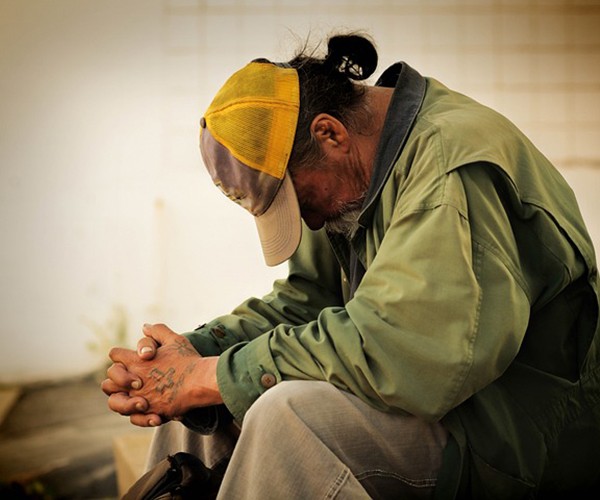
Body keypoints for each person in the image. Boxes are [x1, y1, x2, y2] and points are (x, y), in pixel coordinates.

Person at [102, 33, 600, 498]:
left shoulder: (449, 170)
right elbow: (308, 301)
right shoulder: (350, 174)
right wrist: (191, 357)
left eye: (298, 202)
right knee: (195, 405)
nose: (310, 222)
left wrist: (210, 375)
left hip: (509, 438)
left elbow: (407, 354)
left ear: (329, 134)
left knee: (286, 417)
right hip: (439, 406)